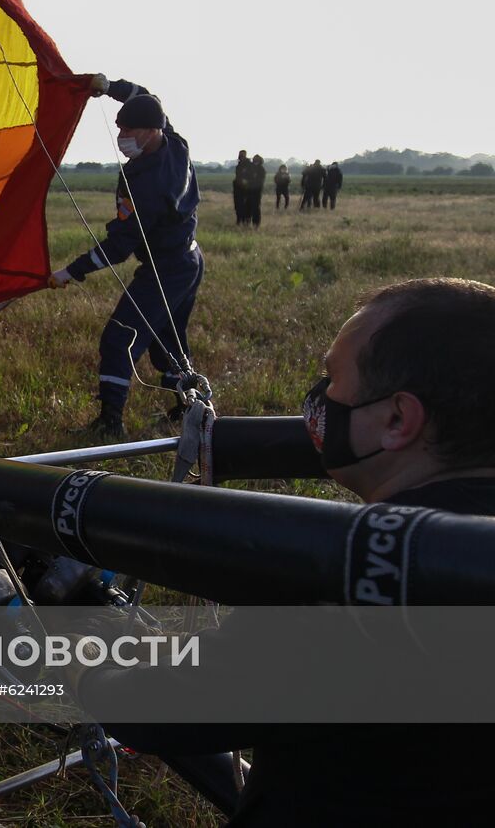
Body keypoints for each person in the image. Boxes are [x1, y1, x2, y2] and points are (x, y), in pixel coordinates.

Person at [73, 277, 495, 826]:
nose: (319, 396)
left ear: (397, 420)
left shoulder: (354, 580)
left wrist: (87, 665)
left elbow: (162, 708)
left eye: (333, 378)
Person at [47, 76, 203, 439]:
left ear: (151, 131)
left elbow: (119, 246)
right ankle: (187, 409)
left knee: (120, 337)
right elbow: (146, 97)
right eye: (120, 126)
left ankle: (110, 420)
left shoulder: (151, 186)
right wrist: (109, 86)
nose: (122, 135)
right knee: (169, 339)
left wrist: (71, 272)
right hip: (189, 262)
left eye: (129, 129)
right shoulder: (175, 144)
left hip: (167, 270)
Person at [232, 150, 251, 225]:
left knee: (246, 206)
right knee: (238, 205)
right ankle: (239, 220)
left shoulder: (249, 165)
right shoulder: (238, 166)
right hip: (238, 188)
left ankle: (246, 220)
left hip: (247, 188)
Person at [248, 154, 265, 226]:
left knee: (256, 207)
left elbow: (260, 180)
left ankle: (256, 223)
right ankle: (247, 222)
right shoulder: (250, 168)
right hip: (249, 190)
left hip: (257, 191)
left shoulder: (261, 169)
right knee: (248, 206)